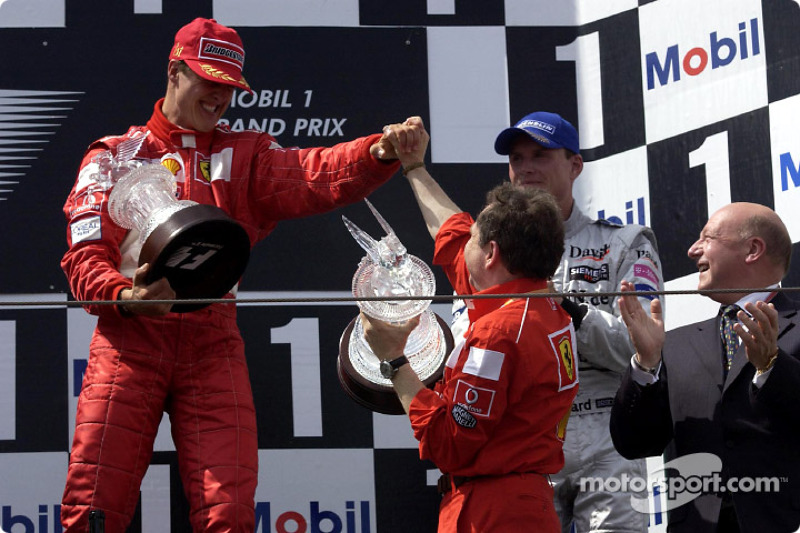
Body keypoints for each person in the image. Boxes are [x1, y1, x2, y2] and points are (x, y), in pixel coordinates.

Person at [59, 17, 424, 533]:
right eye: (209, 80)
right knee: (94, 506)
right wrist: (125, 295)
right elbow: (83, 256)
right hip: (128, 341)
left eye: (230, 86)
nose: (220, 97)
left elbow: (312, 173)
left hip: (212, 343)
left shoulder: (246, 155)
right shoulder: (113, 155)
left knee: (227, 515)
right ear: (174, 71)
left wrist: (377, 152)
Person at [362, 118, 579, 532]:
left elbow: (448, 445)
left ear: (492, 252)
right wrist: (413, 168)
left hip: (493, 513)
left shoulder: (497, 333)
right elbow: (451, 234)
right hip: (519, 501)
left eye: (475, 241)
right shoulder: (543, 304)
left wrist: (394, 361)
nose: (466, 248)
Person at [450, 111, 661, 532]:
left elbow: (636, 349)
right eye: (517, 157)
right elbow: (465, 347)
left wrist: (564, 307)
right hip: (525, 436)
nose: (525, 167)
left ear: (575, 164)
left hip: (607, 431)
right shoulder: (486, 249)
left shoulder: (623, 242)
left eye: (540, 155)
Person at [610, 202, 800, 532]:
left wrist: (772, 366)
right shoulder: (674, 344)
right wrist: (645, 364)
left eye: (707, 238)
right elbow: (634, 444)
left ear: (753, 249)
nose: (691, 249)